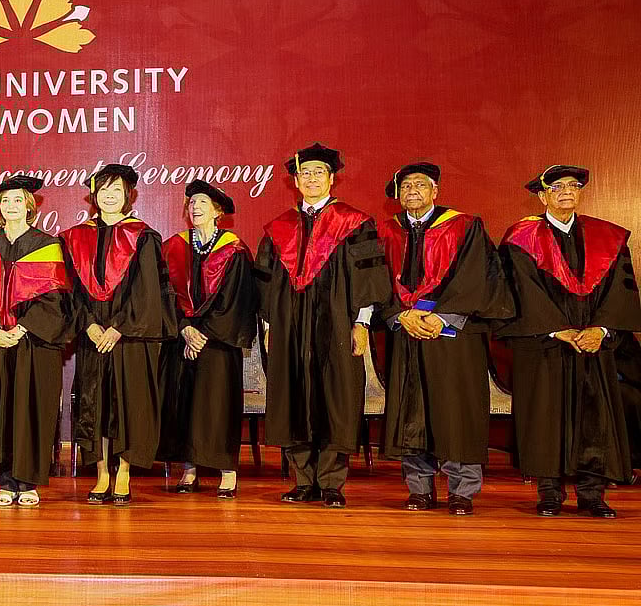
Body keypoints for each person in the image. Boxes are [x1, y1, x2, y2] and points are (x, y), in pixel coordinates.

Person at [497, 165, 641, 518]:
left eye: (573, 186)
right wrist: (555, 329)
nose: (566, 192)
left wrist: (602, 330)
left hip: (594, 345)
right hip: (543, 344)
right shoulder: (520, 238)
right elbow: (520, 291)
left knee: (595, 416)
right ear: (542, 196)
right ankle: (549, 491)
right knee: (545, 416)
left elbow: (619, 294)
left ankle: (591, 492)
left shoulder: (606, 237)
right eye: (556, 187)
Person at [255, 143, 391, 508]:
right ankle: (303, 480)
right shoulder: (278, 228)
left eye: (319, 172)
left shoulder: (354, 223)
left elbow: (367, 279)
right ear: (295, 181)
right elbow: (266, 282)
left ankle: (331, 482)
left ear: (332, 178)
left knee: (336, 396)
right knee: (294, 394)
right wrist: (269, 326)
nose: (312, 178)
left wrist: (362, 322)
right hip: (289, 326)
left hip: (337, 323)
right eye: (305, 173)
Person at [375, 163, 515, 515]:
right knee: (412, 411)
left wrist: (442, 317)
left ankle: (461, 490)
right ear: (397, 194)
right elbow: (374, 285)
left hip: (454, 337)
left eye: (420, 185)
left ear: (435, 191)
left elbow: (477, 279)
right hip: (406, 334)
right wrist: (400, 315)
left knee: (457, 410)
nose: (412, 191)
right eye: (405, 186)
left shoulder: (465, 227)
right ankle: (419, 488)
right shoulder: (387, 233)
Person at [60, 164, 177, 505]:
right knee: (95, 405)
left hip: (129, 337)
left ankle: (123, 473)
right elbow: (70, 291)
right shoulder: (73, 237)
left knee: (127, 405)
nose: (109, 196)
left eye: (117, 190)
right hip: (92, 336)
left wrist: (118, 326)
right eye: (103, 190)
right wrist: (90, 325)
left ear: (128, 195)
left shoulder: (144, 237)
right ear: (93, 195)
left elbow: (147, 292)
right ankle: (101, 474)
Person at [0, 175, 73, 506]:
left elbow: (55, 300)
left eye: (17, 200)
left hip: (33, 344)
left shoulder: (46, 244)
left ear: (29, 205)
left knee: (32, 409)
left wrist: (23, 328)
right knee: (0, 409)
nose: (11, 206)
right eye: (4, 201)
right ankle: (5, 480)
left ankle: (28, 482)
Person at [160, 180, 258, 499]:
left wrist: (204, 332)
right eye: (191, 203)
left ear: (218, 212)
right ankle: (189, 469)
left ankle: (227, 471)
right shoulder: (173, 247)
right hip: (182, 338)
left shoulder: (234, 249)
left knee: (217, 405)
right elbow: (165, 295)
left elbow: (239, 299)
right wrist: (184, 328)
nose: (196, 208)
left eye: (203, 203)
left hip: (218, 342)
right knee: (185, 402)